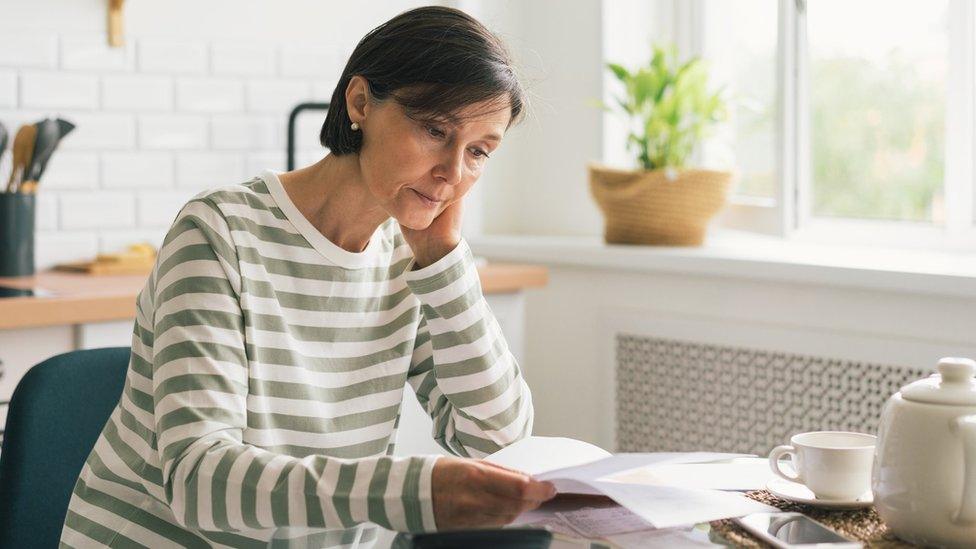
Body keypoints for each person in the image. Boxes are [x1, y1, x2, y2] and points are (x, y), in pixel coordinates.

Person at [60, 6, 555, 547]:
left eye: (479, 152)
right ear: (360, 101)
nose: (454, 174)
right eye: (436, 130)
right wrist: (409, 490)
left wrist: (445, 265)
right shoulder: (219, 233)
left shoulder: (412, 263)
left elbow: (500, 443)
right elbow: (199, 482)